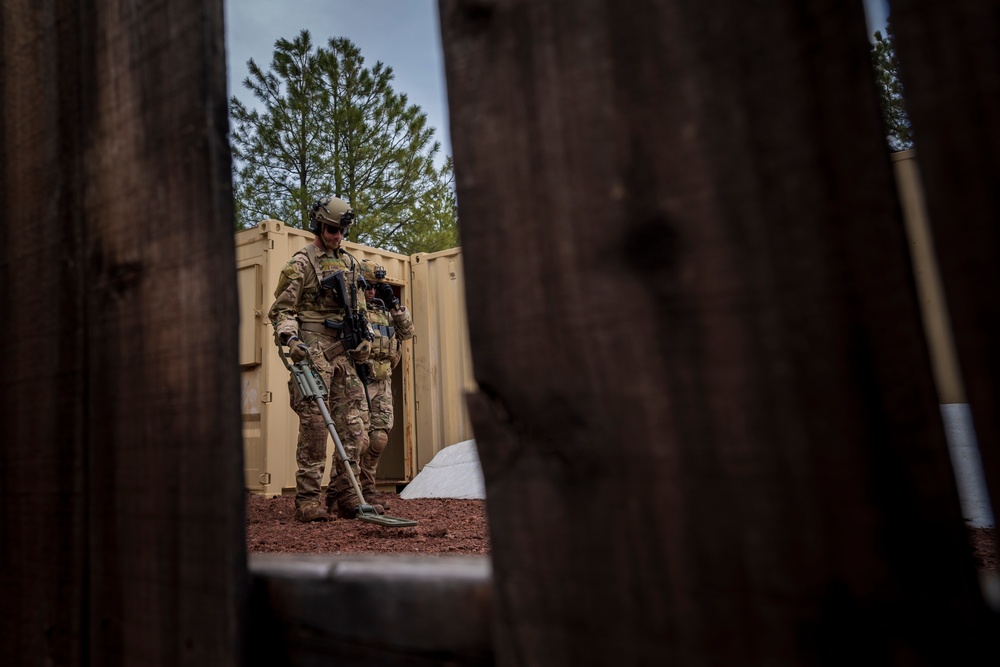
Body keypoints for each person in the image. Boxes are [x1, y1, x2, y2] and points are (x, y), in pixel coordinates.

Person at [267, 195, 380, 522]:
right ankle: (308, 500)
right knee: (316, 427)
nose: (337, 236)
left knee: (356, 428)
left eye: (342, 231)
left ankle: (345, 496)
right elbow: (282, 311)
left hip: (345, 351)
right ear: (318, 224)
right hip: (313, 349)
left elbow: (361, 311)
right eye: (331, 229)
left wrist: (366, 341)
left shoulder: (350, 263)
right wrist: (290, 338)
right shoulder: (302, 262)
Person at [357, 259, 415, 508]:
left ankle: (368, 489)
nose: (371, 292)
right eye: (367, 286)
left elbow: (407, 332)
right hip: (359, 380)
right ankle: (348, 490)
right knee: (358, 440)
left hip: (382, 382)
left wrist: (393, 305)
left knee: (379, 439)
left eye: (376, 287)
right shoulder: (353, 310)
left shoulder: (384, 311)